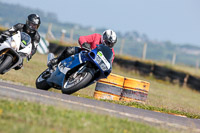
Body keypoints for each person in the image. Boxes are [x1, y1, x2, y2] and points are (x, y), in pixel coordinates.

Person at [48, 29, 117, 68]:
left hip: (94, 65)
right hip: (84, 54)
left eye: (111, 44)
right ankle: (56, 61)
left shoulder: (111, 52)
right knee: (70, 50)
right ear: (103, 38)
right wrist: (84, 44)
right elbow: (82, 38)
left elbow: (110, 62)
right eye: (107, 42)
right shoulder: (96, 37)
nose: (109, 45)